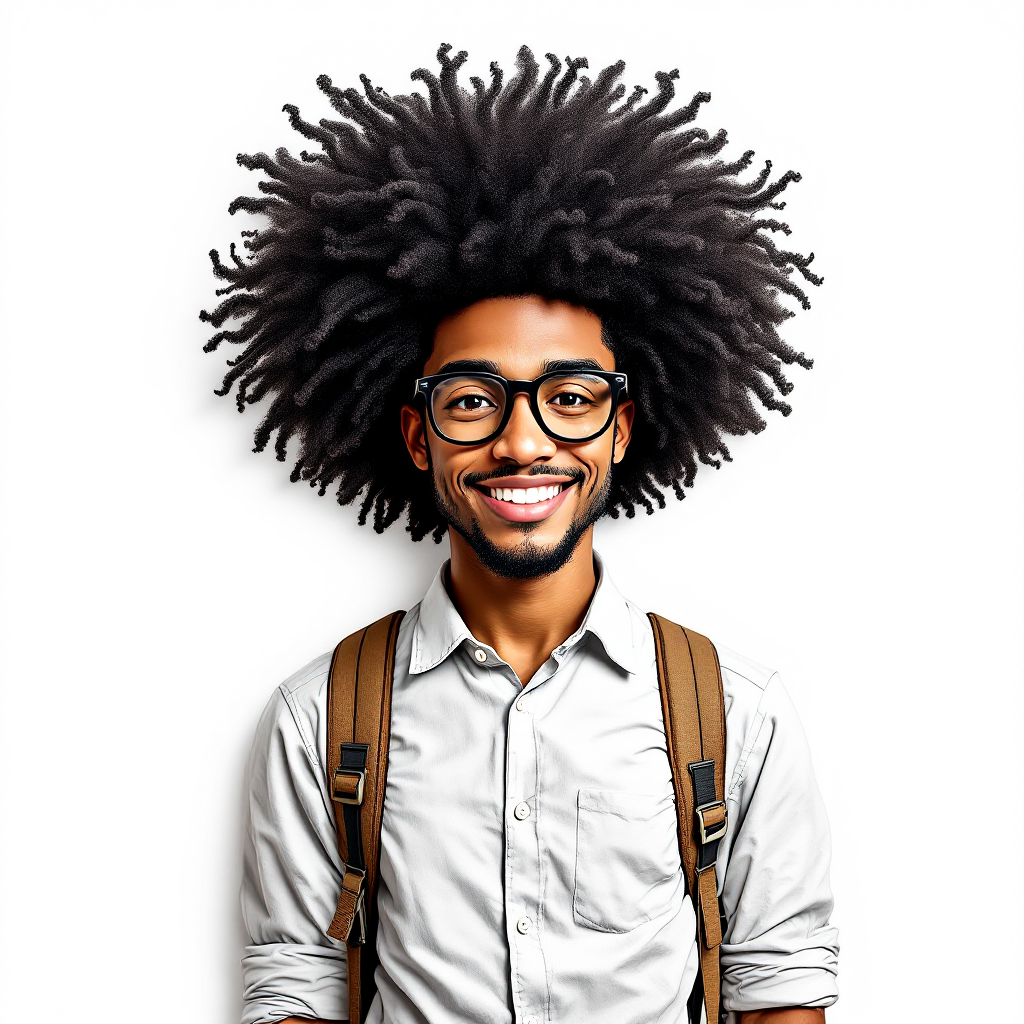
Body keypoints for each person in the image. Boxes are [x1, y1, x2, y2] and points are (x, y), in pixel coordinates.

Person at [203, 44, 839, 1024]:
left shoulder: (736, 717)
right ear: (416, 433)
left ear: (621, 427)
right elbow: (293, 982)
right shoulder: (319, 723)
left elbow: (779, 983)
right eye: (471, 400)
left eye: (571, 396)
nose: (521, 441)